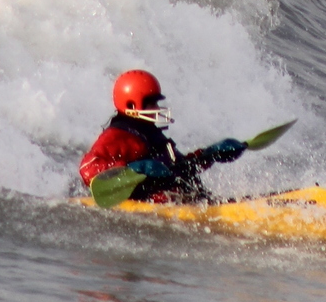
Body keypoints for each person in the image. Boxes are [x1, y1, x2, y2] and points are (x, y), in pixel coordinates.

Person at [79, 69, 245, 202]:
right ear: (132, 105)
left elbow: (179, 169)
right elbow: (87, 168)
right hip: (156, 203)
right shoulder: (117, 136)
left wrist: (209, 155)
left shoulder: (150, 133)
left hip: (186, 200)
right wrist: (133, 169)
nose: (157, 108)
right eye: (152, 103)